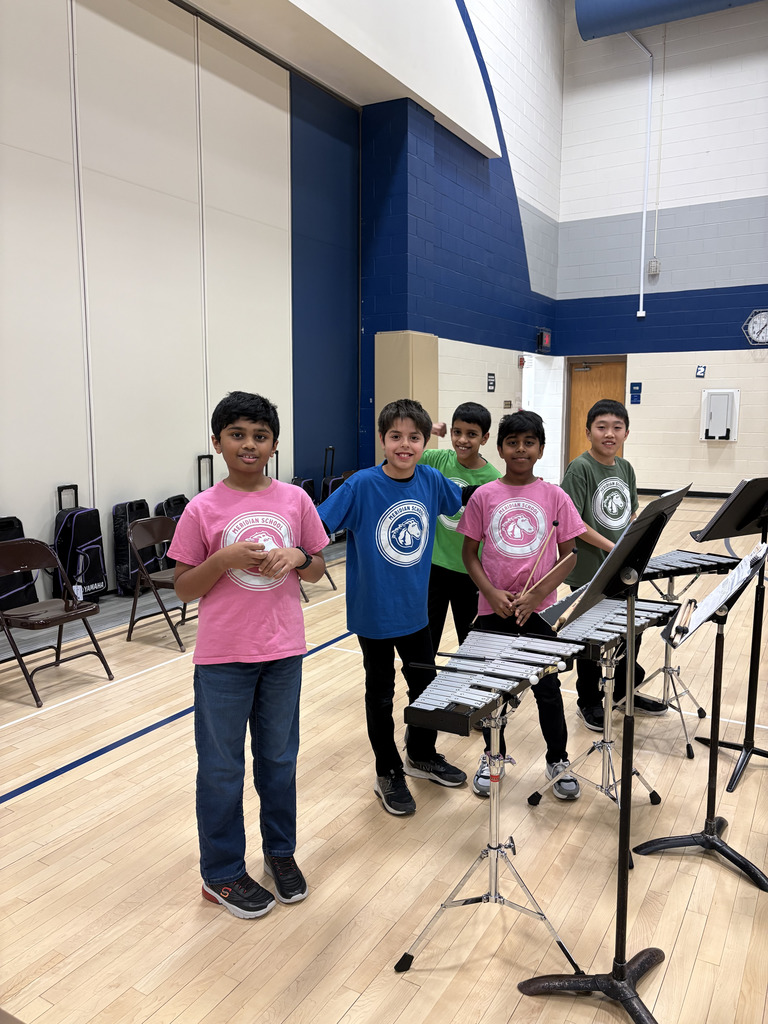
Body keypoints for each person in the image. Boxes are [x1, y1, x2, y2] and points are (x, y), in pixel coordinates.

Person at [169, 391, 329, 920]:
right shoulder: (202, 508)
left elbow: (316, 567)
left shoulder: (295, 500)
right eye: (237, 434)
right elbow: (185, 589)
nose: (249, 444)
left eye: (260, 436)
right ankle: (220, 874)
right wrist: (224, 558)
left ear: (274, 444)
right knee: (220, 767)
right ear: (217, 443)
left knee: (280, 760)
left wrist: (299, 555)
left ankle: (280, 854)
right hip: (222, 659)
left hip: (283, 651)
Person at [317, 398, 467, 816]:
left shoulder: (432, 480)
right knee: (380, 695)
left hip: (415, 612)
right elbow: (319, 523)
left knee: (425, 687)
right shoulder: (361, 485)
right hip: (375, 615)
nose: (405, 445)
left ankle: (421, 752)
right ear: (382, 440)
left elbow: (465, 499)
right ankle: (388, 770)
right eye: (395, 436)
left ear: (425, 441)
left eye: (414, 437)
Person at [459, 410, 586, 800]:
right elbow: (469, 554)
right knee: (490, 690)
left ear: (541, 449)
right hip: (492, 609)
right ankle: (493, 755)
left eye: (528, 442)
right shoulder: (484, 495)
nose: (520, 449)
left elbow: (570, 556)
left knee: (547, 689)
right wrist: (493, 594)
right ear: (499, 448)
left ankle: (558, 758)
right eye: (512, 442)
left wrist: (535, 595)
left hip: (538, 609)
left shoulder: (555, 497)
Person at [561, 399, 667, 732]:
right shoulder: (580, 468)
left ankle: (623, 693)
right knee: (591, 638)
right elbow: (573, 522)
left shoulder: (626, 468)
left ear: (626, 432)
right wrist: (614, 548)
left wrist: (634, 544)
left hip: (621, 568)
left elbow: (630, 514)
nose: (610, 434)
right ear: (588, 430)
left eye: (617, 428)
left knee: (626, 633)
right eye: (602, 427)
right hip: (590, 570)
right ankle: (588, 702)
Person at [422, 402, 501, 659]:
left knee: (471, 646)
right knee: (425, 641)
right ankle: (422, 694)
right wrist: (424, 428)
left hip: (471, 574)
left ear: (485, 438)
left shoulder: (492, 478)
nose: (462, 440)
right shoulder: (436, 460)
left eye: (471, 434)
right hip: (432, 569)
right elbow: (398, 453)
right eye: (457, 432)